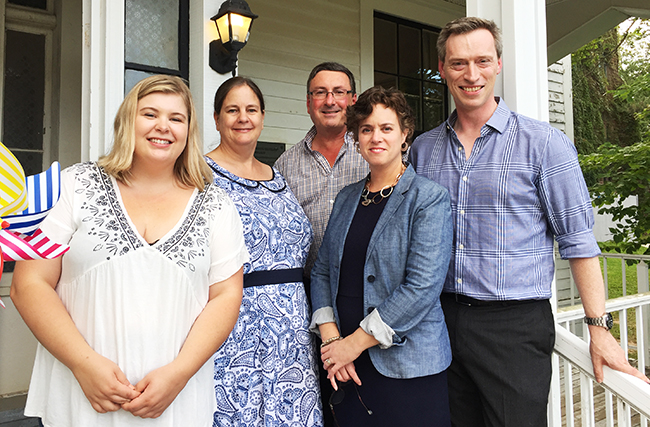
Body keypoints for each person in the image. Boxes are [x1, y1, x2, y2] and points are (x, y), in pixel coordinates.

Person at [409, 17, 650, 427]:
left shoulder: (543, 144)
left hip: (514, 328)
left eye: (483, 61)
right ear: (442, 67)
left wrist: (599, 327)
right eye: (458, 63)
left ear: (498, 64)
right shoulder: (422, 150)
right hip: (440, 320)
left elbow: (578, 241)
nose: (472, 74)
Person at [10, 75, 248, 427]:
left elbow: (226, 296)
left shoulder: (216, 204)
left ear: (189, 130)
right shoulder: (75, 186)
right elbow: (28, 284)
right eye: (149, 114)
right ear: (127, 121)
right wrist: (83, 364)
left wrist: (179, 374)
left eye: (176, 118)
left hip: (174, 401)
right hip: (82, 396)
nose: (163, 127)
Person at [310, 86, 453, 427]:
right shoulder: (346, 198)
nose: (376, 137)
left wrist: (353, 344)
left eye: (387, 128)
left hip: (407, 366)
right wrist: (333, 342)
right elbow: (321, 272)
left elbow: (421, 288)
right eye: (367, 129)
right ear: (357, 137)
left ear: (405, 135)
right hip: (345, 364)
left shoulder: (428, 198)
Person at [206, 76, 323, 427]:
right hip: (235, 323)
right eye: (232, 110)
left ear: (262, 116)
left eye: (251, 109)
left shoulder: (278, 175)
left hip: (292, 331)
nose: (243, 117)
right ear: (216, 119)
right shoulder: (200, 175)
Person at [274, 62, 368, 283]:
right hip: (308, 289)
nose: (329, 101)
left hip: (369, 288)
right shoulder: (285, 166)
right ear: (308, 103)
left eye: (339, 92)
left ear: (353, 101)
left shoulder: (373, 151)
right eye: (320, 93)